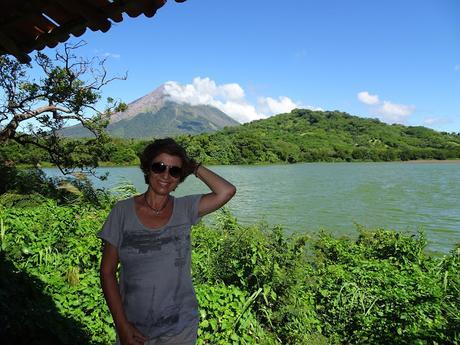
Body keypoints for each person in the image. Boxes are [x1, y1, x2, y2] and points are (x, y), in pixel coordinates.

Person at [99, 138, 236, 345]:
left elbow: (226, 191)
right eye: (159, 167)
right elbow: (107, 272)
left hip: (179, 328)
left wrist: (194, 167)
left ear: (180, 177)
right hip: (134, 327)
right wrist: (122, 325)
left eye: (174, 171)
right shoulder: (122, 211)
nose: (166, 175)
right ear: (147, 169)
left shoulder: (185, 208)